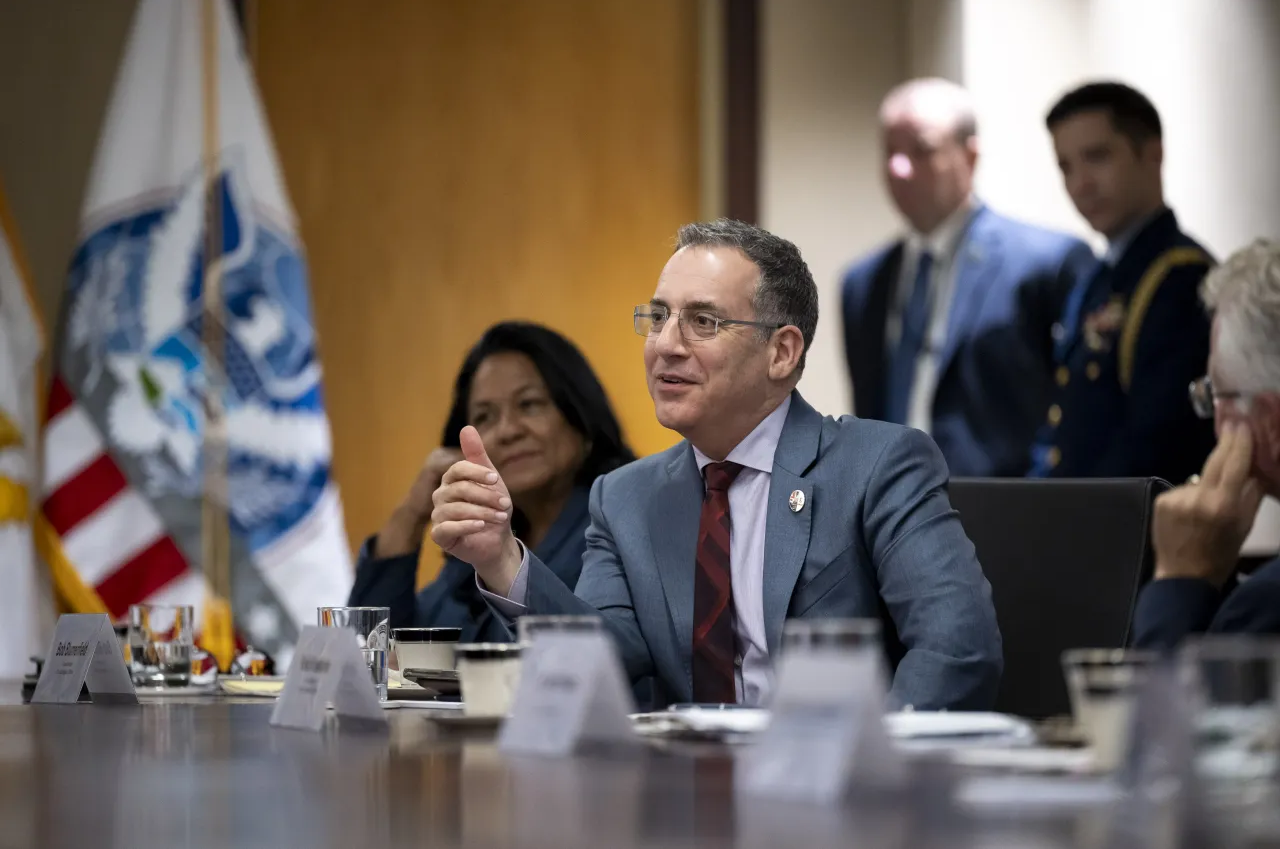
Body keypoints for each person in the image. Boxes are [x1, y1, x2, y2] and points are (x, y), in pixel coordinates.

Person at [431, 219, 1003, 711]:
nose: (666, 345)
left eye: (703, 322)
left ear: (782, 351)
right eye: (658, 318)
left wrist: (871, 772)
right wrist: (502, 558)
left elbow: (956, 646)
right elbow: (603, 660)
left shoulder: (877, 466)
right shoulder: (627, 498)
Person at [842, 77, 1096, 478]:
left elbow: (1079, 412)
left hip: (1008, 515)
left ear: (970, 157)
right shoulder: (862, 283)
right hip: (890, 518)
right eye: (889, 151)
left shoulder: (1046, 263)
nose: (898, 168)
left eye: (921, 150)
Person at [347, 321, 635, 642]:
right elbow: (375, 649)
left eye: (529, 405)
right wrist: (412, 513)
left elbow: (603, 659)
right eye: (485, 417)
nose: (509, 431)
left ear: (582, 419)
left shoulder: (619, 528)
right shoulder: (483, 538)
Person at [1028, 81, 1216, 482]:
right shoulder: (1100, 276)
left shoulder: (1180, 278)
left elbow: (1158, 444)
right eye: (1066, 166)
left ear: (1153, 154)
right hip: (1082, 525)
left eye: (1097, 157)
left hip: (1134, 530)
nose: (1080, 183)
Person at [1131, 240, 1280, 648]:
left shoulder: (1266, 608)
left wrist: (1181, 578)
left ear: (1272, 424)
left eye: (1217, 393)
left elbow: (1157, 713)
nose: (1211, 415)